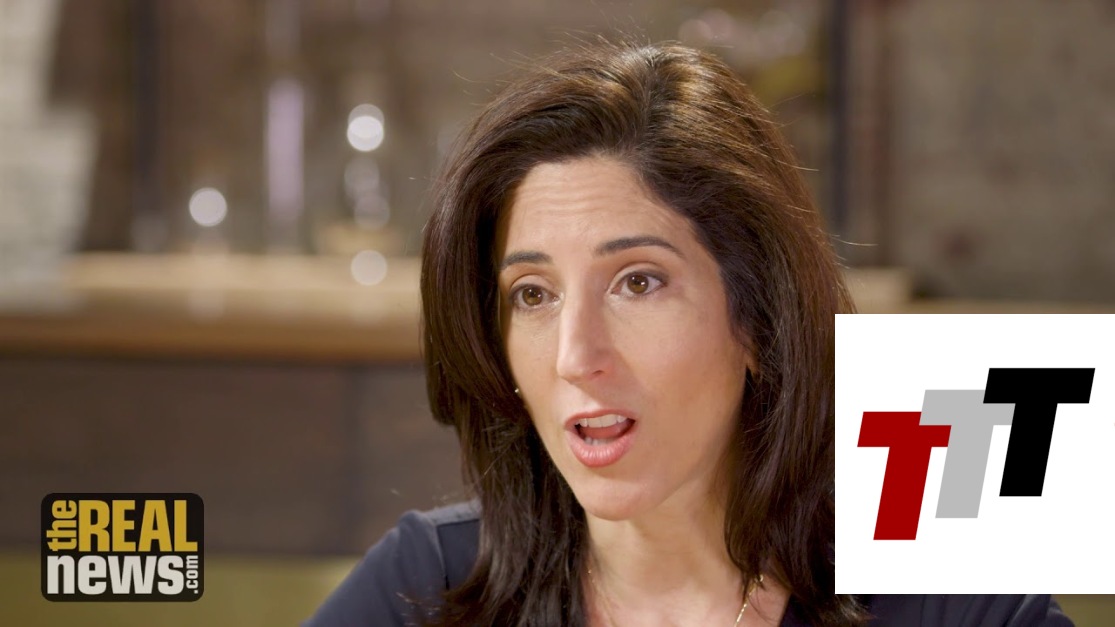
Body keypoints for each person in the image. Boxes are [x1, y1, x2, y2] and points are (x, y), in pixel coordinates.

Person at [305, 41, 1072, 626]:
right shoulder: (426, 585)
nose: (575, 355)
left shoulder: (948, 590)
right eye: (532, 294)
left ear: (758, 316)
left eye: (638, 282)